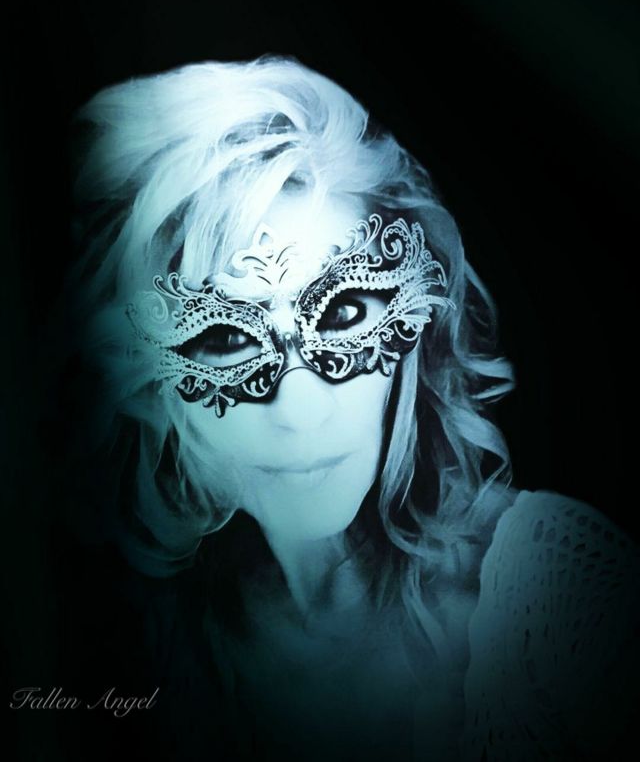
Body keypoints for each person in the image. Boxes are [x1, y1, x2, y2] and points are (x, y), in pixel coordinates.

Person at [58, 55, 639, 761]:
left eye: (346, 310)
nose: (301, 412)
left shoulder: (561, 596)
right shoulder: (132, 650)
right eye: (223, 338)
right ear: (146, 378)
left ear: (416, 320)